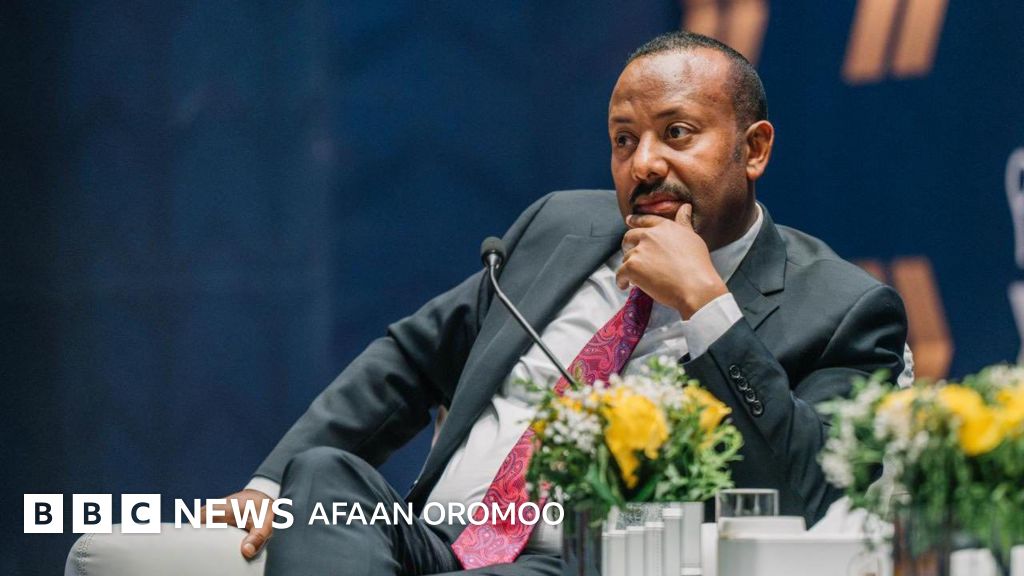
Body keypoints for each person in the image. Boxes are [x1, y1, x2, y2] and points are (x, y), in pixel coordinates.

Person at [210, 32, 908, 575]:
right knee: (322, 475)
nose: (644, 164)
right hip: (429, 541)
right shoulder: (558, 227)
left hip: (579, 558)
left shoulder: (843, 310)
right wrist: (268, 486)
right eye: (624, 140)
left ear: (753, 150)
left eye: (677, 133)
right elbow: (412, 357)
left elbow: (811, 493)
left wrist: (705, 304)